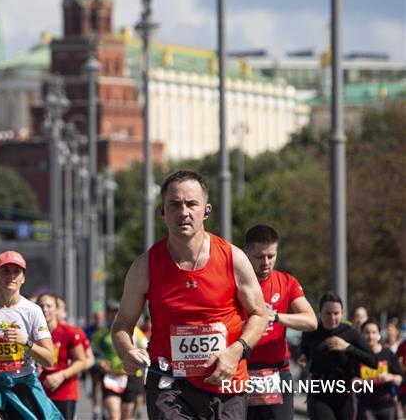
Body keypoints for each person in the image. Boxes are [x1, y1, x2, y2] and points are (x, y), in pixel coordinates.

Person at [111, 169, 269, 420]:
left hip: (226, 381)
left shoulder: (233, 258)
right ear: (162, 212)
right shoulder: (145, 266)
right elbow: (122, 323)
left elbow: (260, 313)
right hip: (169, 384)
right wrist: (126, 351)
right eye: (174, 205)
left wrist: (236, 350)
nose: (183, 212)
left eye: (191, 204)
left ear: (206, 210)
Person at [0, 250, 60, 419]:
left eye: (16, 271)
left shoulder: (33, 311)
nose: (11, 276)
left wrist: (25, 342)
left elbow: (49, 359)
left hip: (23, 385)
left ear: (23, 278)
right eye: (5, 270)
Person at [243, 225, 318, 420]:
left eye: (271, 256)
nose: (266, 262)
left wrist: (276, 317)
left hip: (276, 373)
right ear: (246, 253)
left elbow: (311, 321)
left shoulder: (286, 282)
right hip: (241, 374)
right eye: (259, 257)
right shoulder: (233, 283)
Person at [299, 292, 377, 420]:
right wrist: (303, 358)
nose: (332, 317)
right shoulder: (311, 332)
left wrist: (347, 347)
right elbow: (304, 352)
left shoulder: (351, 333)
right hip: (320, 389)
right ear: (320, 313)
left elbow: (373, 362)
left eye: (336, 313)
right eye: (328, 313)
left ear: (342, 313)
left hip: (344, 389)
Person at [38, 293, 89, 420]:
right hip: (40, 390)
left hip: (65, 392)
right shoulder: (33, 332)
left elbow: (82, 361)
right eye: (41, 306)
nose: (45, 309)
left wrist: (61, 375)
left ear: (56, 309)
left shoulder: (69, 332)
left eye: (49, 306)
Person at [354, 318, 403, 420]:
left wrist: (390, 377)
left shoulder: (388, 354)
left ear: (379, 334)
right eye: (367, 333)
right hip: (366, 407)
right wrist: (363, 382)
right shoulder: (357, 355)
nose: (370, 336)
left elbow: (401, 378)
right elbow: (351, 381)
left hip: (387, 406)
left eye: (374, 332)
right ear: (361, 335)